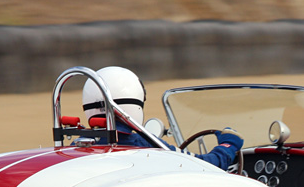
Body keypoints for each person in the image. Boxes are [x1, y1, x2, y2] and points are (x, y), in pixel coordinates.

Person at [81, 66, 243, 170]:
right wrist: (228, 145)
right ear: (135, 102)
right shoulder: (144, 144)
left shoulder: (79, 144)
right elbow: (206, 166)